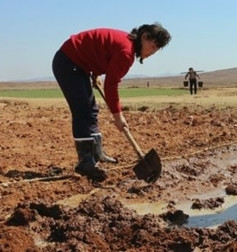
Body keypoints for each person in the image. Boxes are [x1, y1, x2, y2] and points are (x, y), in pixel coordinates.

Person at [52, 23, 171, 181]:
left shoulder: (126, 45)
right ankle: (85, 163)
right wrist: (117, 115)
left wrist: (94, 72)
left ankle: (97, 154)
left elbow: (98, 50)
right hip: (68, 63)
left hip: (78, 64)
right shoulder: (126, 52)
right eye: (153, 46)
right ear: (144, 37)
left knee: (91, 110)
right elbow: (111, 84)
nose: (152, 53)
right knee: (83, 110)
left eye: (157, 50)